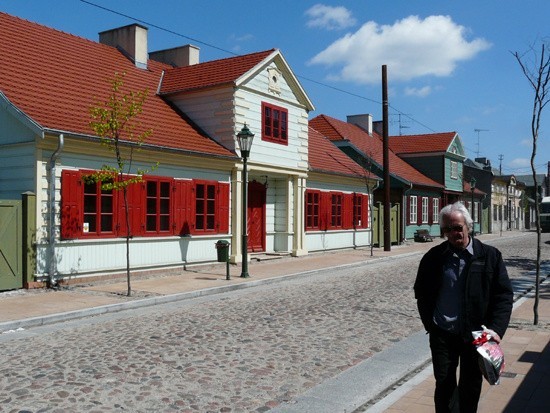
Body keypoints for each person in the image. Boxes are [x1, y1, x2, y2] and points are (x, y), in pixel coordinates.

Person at [414, 202, 513, 412]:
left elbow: (503, 295)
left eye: (457, 227)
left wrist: (496, 330)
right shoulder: (433, 258)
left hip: (476, 336)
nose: (453, 233)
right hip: (442, 334)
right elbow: (421, 292)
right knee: (444, 385)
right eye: (448, 229)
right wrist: (430, 324)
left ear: (468, 226)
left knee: (470, 387)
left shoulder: (490, 256)